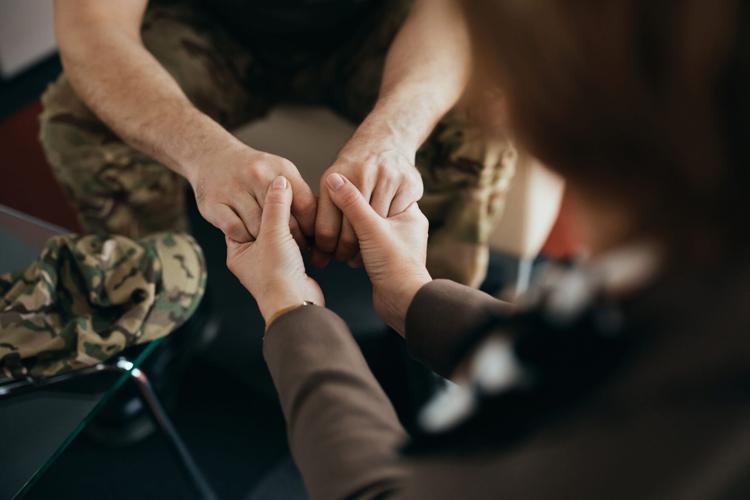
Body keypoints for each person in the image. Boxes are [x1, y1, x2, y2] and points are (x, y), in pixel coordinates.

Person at [225, 0, 750, 498]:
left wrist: (292, 312)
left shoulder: (674, 389)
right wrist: (412, 294)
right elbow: (576, 361)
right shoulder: (698, 280)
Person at [39, 0, 516, 287]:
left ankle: (437, 314)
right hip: (213, 27)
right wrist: (205, 152)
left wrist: (393, 136)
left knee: (484, 113)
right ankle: (154, 310)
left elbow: (457, 11)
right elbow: (92, 25)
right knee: (78, 119)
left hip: (373, 25)